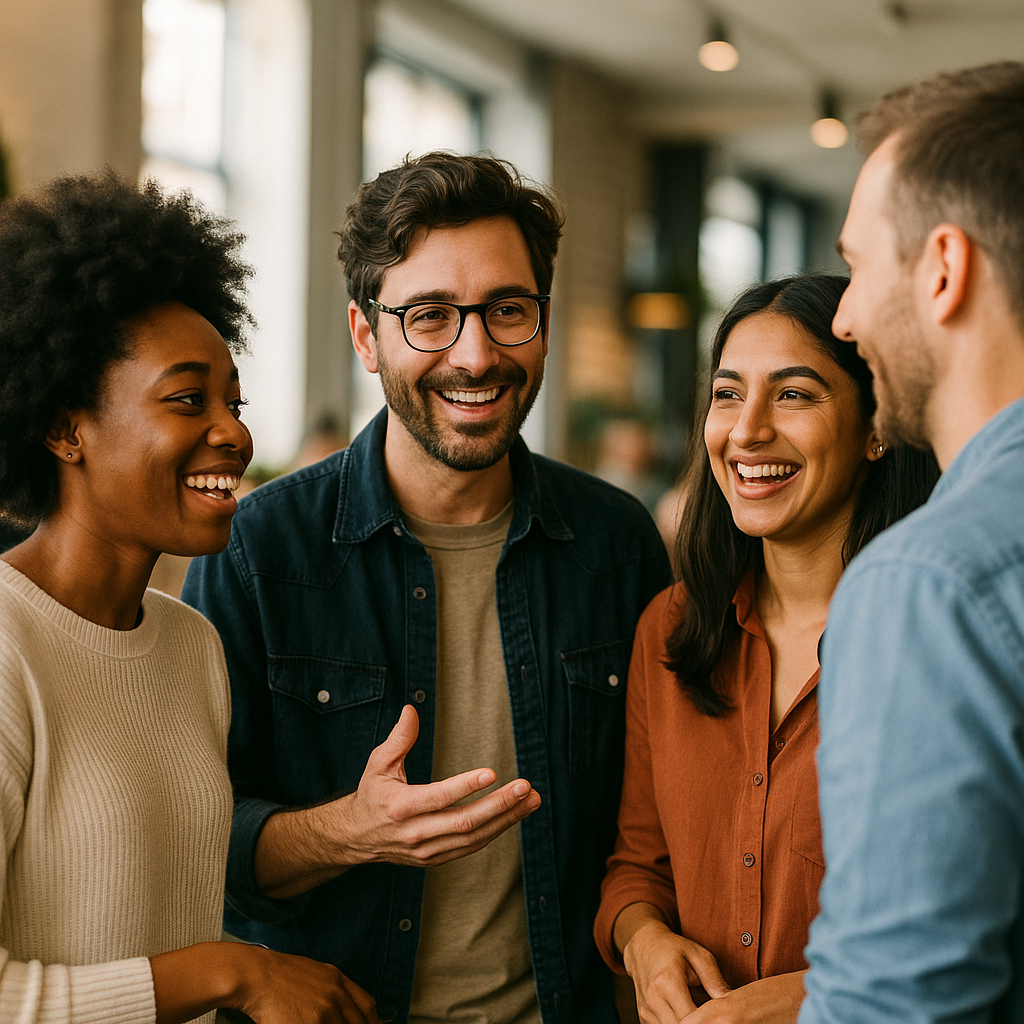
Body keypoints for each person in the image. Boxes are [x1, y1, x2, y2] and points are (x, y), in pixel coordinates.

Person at [181, 151, 672, 1024]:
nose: (476, 355)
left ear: (545, 324)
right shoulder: (259, 549)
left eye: (506, 312)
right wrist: (351, 830)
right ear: (368, 336)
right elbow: (191, 848)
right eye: (431, 317)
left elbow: (654, 830)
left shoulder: (618, 546)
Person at [0, 171, 378, 1024]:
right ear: (66, 428)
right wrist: (232, 974)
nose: (234, 431)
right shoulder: (6, 645)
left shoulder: (188, 643)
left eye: (233, 401)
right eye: (186, 400)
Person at [593, 276, 938, 1024]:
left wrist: (806, 999)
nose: (746, 430)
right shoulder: (672, 628)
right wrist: (645, 940)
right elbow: (636, 867)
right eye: (727, 393)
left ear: (877, 426)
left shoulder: (942, 644)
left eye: (793, 394)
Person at [798, 62, 1024, 1024]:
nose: (844, 317)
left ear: (942, 266)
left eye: (857, 265)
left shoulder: (931, 583)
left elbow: (894, 1007)